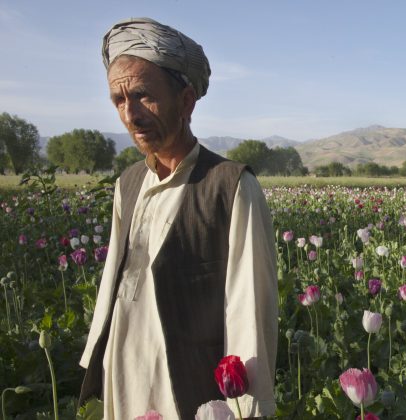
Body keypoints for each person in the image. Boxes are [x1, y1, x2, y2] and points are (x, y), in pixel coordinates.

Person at [79, 17, 278, 419]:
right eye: (119, 101)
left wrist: (246, 409)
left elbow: (249, 314)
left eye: (142, 96)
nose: (130, 115)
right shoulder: (128, 183)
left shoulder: (230, 186)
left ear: (186, 101)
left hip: (188, 387)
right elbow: (112, 291)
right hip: (125, 372)